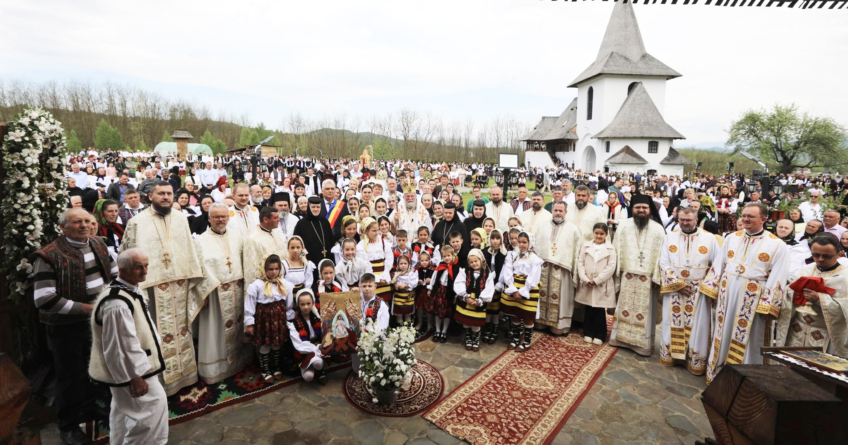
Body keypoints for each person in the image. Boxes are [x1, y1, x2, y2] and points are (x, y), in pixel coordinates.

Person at [120, 181, 219, 395]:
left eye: (169, 194)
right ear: (150, 196)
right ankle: (161, 382)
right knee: (156, 332)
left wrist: (201, 278)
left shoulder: (182, 219)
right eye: (161, 193)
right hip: (152, 287)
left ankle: (187, 375)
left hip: (180, 283)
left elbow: (191, 250)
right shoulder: (137, 222)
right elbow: (127, 254)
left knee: (182, 329)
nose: (166, 197)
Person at [31, 208, 117, 445]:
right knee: (69, 375)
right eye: (76, 222)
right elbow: (44, 298)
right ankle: (67, 425)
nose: (83, 226)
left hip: (97, 322)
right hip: (66, 327)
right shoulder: (49, 255)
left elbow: (114, 273)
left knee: (95, 369)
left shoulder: (99, 244)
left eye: (86, 222)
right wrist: (87, 309)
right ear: (62, 227)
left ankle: (89, 410)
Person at [699, 203, 790, 384]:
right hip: (727, 293)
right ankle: (717, 372)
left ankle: (744, 379)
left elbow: (779, 275)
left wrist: (768, 304)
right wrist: (711, 287)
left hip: (753, 298)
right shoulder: (732, 237)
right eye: (744, 215)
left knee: (749, 337)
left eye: (751, 216)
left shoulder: (777, 244)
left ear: (763, 219)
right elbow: (719, 263)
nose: (746, 219)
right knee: (722, 331)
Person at [88, 248, 168, 445]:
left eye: (146, 265)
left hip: (133, 367)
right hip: (133, 371)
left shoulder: (128, 289)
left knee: (123, 413)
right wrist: (135, 377)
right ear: (122, 270)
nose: (144, 271)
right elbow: (120, 346)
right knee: (150, 415)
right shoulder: (116, 303)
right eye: (138, 267)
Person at [658, 207, 720, 376]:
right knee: (671, 322)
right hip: (675, 290)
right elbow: (663, 262)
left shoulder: (709, 238)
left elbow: (717, 265)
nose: (684, 223)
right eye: (681, 220)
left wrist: (708, 287)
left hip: (698, 290)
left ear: (695, 220)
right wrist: (677, 283)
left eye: (688, 220)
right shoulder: (669, 236)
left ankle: (694, 359)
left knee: (698, 325)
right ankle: (673, 355)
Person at [194, 203, 249, 384]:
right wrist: (204, 293)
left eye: (223, 216)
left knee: (239, 326)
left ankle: (241, 361)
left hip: (238, 290)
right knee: (216, 331)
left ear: (228, 217)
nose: (220, 220)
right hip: (215, 295)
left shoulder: (238, 237)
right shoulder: (200, 241)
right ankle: (217, 368)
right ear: (209, 218)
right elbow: (199, 270)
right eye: (216, 217)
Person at [609, 194, 666, 356]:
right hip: (626, 275)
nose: (641, 210)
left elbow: (663, 255)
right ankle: (619, 339)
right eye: (637, 207)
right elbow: (616, 248)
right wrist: (616, 272)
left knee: (646, 313)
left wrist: (658, 276)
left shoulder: (658, 229)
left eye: (644, 208)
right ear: (632, 209)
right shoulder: (623, 226)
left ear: (650, 209)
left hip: (648, 279)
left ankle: (643, 345)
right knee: (623, 309)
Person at [777, 236, 848, 358]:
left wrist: (819, 299)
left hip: (827, 335)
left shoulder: (845, 277)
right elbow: (787, 290)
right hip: (797, 329)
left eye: (826, 256)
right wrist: (793, 292)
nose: (820, 259)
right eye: (815, 255)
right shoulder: (804, 270)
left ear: (839, 254)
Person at [245, 254, 296, 382]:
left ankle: (276, 367)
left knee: (277, 344)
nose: (273, 272)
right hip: (264, 321)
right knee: (265, 345)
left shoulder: (284, 284)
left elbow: (289, 304)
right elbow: (250, 305)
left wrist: (289, 318)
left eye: (276, 269)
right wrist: (250, 323)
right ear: (264, 269)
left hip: (279, 320)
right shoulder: (256, 285)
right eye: (270, 269)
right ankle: (265, 370)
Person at [535, 200, 582, 335]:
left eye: (561, 210)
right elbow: (537, 245)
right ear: (552, 211)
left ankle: (560, 326)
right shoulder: (543, 226)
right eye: (556, 210)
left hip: (562, 270)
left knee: (562, 298)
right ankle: (541, 323)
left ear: (566, 212)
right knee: (542, 295)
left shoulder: (573, 229)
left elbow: (576, 251)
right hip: (544, 268)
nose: (558, 213)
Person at [501, 231, 544, 352]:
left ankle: (526, 341)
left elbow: (534, 277)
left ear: (530, 243)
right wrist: (513, 290)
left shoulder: (535, 259)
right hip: (514, 286)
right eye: (519, 242)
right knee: (515, 314)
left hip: (528, 289)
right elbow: (508, 272)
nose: (521, 244)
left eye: (524, 242)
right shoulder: (512, 255)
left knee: (527, 316)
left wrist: (523, 291)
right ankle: (515, 339)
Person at [576, 223, 617, 345]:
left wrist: (598, 280)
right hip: (588, 282)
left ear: (606, 234)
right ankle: (588, 332)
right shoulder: (586, 246)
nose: (598, 236)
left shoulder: (610, 249)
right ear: (593, 233)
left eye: (601, 234)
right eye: (596, 233)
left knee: (599, 309)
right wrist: (584, 278)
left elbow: (611, 267)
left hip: (601, 283)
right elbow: (580, 262)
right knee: (588, 308)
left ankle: (600, 334)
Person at [453, 249, 495, 351]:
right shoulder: (464, 271)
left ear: (481, 260)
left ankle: (476, 339)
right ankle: (468, 338)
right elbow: (459, 283)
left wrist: (480, 300)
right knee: (466, 322)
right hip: (466, 299)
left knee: (476, 323)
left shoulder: (487, 273)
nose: (474, 264)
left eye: (476, 261)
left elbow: (489, 288)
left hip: (478, 300)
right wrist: (466, 296)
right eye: (471, 262)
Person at [288, 290, 328, 384]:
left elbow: (325, 335)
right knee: (308, 377)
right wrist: (316, 349)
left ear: (313, 303)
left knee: (318, 363)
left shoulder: (318, 317)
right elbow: (299, 345)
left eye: (308, 303)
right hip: (304, 351)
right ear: (298, 305)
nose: (306, 307)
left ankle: (319, 370)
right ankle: (308, 366)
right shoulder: (294, 322)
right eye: (302, 304)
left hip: (319, 348)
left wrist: (323, 347)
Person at [294, 196, 335, 278]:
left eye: (318, 207)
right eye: (313, 207)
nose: (316, 209)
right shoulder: (301, 224)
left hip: (326, 258)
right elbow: (297, 243)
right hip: (310, 260)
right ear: (309, 207)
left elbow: (330, 240)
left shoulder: (325, 222)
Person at [428, 245, 461, 343]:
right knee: (438, 312)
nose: (447, 258)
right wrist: (430, 288)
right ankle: (438, 330)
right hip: (439, 291)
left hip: (449, 292)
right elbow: (434, 278)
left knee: (447, 313)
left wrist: (456, 295)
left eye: (448, 256)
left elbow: (458, 281)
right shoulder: (440, 266)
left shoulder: (456, 267)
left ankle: (444, 331)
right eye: (444, 256)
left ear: (452, 255)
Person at [356, 218, 394, 302]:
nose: (377, 233)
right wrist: (376, 279)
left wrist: (384, 275)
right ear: (366, 231)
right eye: (373, 231)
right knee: (372, 303)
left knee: (385, 302)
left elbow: (389, 259)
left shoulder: (383, 242)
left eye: (377, 230)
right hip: (370, 279)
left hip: (384, 276)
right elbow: (364, 265)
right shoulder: (361, 246)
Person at [391, 254, 418, 325]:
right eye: (401, 263)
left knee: (407, 307)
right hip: (399, 295)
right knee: (399, 307)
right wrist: (395, 285)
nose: (403, 265)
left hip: (407, 294)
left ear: (408, 264)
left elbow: (414, 282)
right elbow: (393, 281)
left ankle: (407, 318)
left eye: (405, 263)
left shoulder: (411, 273)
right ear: (398, 264)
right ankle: (399, 319)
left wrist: (406, 285)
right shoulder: (396, 274)